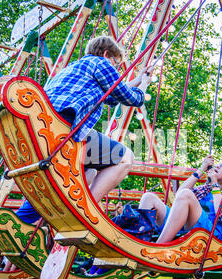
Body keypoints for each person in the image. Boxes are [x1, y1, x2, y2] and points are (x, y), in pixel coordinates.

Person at [44, 35, 153, 204]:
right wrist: (144, 84)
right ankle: (86, 208)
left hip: (47, 124)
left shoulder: (73, 67)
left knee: (90, 172)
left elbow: (111, 96)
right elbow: (131, 98)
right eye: (115, 63)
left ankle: (67, 203)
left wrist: (137, 80)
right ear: (106, 54)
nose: (115, 67)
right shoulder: (101, 63)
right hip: (67, 126)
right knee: (126, 158)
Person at [138, 155, 222, 249]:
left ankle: (157, 247)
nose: (217, 166)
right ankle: (138, 241)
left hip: (212, 235)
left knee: (187, 194)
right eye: (218, 164)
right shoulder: (205, 189)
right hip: (187, 226)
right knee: (148, 197)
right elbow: (179, 195)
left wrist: (215, 184)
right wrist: (201, 169)